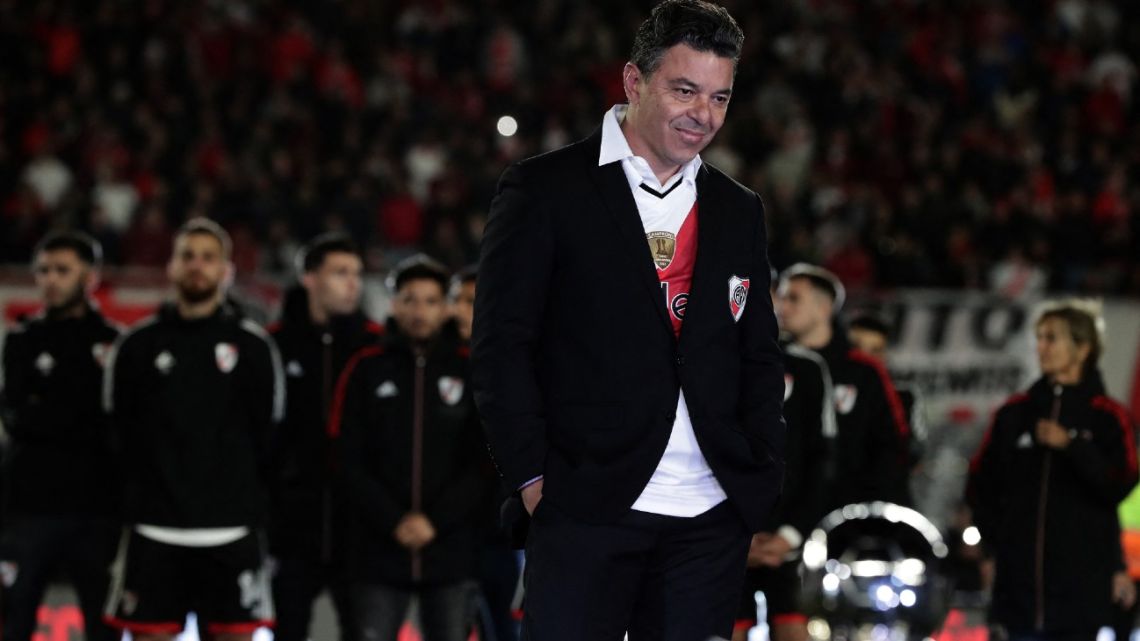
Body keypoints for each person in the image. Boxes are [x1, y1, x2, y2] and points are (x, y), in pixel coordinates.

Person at [471, 2, 786, 638]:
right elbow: (502, 346)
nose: (703, 115)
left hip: (708, 517)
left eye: (720, 98)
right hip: (584, 506)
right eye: (685, 90)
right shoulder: (544, 190)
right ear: (633, 82)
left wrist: (757, 471)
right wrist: (534, 479)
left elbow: (757, 350)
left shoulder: (737, 209)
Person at [102, 218, 283, 641]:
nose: (197, 266)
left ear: (227, 270)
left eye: (207, 257)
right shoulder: (137, 345)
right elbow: (117, 433)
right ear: (171, 267)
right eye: (187, 256)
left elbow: (269, 436)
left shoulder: (253, 346)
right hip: (155, 527)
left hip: (231, 529)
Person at [332, 255, 492, 641]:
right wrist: (393, 520)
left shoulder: (471, 370)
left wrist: (435, 520)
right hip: (378, 552)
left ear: (446, 307)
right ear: (393, 303)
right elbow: (346, 458)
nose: (419, 310)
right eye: (409, 299)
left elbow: (486, 462)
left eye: (430, 300)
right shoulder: (365, 367)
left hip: (451, 552)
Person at [968, 301, 1139, 641]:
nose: (1041, 347)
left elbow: (1119, 483)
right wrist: (992, 548)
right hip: (1017, 594)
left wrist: (1073, 446)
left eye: (1052, 338)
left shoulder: (1108, 416)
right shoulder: (1014, 413)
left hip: (1081, 596)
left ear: (1082, 348)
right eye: (1039, 338)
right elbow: (979, 484)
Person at [0, 231, 120, 641]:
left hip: (97, 510)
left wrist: (49, 409)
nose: (50, 279)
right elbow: (16, 414)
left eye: (62, 270)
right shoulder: (21, 341)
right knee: (15, 621)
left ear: (90, 277)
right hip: (31, 508)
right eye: (44, 270)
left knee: (101, 625)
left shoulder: (114, 343)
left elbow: (118, 424)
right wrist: (82, 416)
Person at [267, 233, 381, 641]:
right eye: (340, 273)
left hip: (360, 533)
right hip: (292, 531)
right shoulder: (273, 345)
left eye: (356, 274)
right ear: (309, 278)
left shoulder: (376, 347)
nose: (353, 283)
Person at [734, 275, 837, 641]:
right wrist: (735, 533)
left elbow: (821, 460)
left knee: (795, 626)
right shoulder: (721, 362)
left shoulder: (809, 370)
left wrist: (791, 534)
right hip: (729, 535)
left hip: (790, 541)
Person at [776, 264, 911, 508]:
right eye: (782, 297)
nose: (782, 306)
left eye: (793, 298)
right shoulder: (771, 363)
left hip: (847, 513)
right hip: (781, 516)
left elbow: (890, 445)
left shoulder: (864, 371)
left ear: (824, 307)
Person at [449, 264, 523, 641]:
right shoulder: (436, 367)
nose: (460, 310)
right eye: (457, 301)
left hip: (509, 531)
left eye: (471, 301)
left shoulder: (521, 365)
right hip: (456, 531)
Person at [848, 312, 928, 473]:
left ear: (885, 354)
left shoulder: (905, 394)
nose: (867, 358)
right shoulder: (828, 388)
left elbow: (915, 451)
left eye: (875, 350)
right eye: (859, 349)